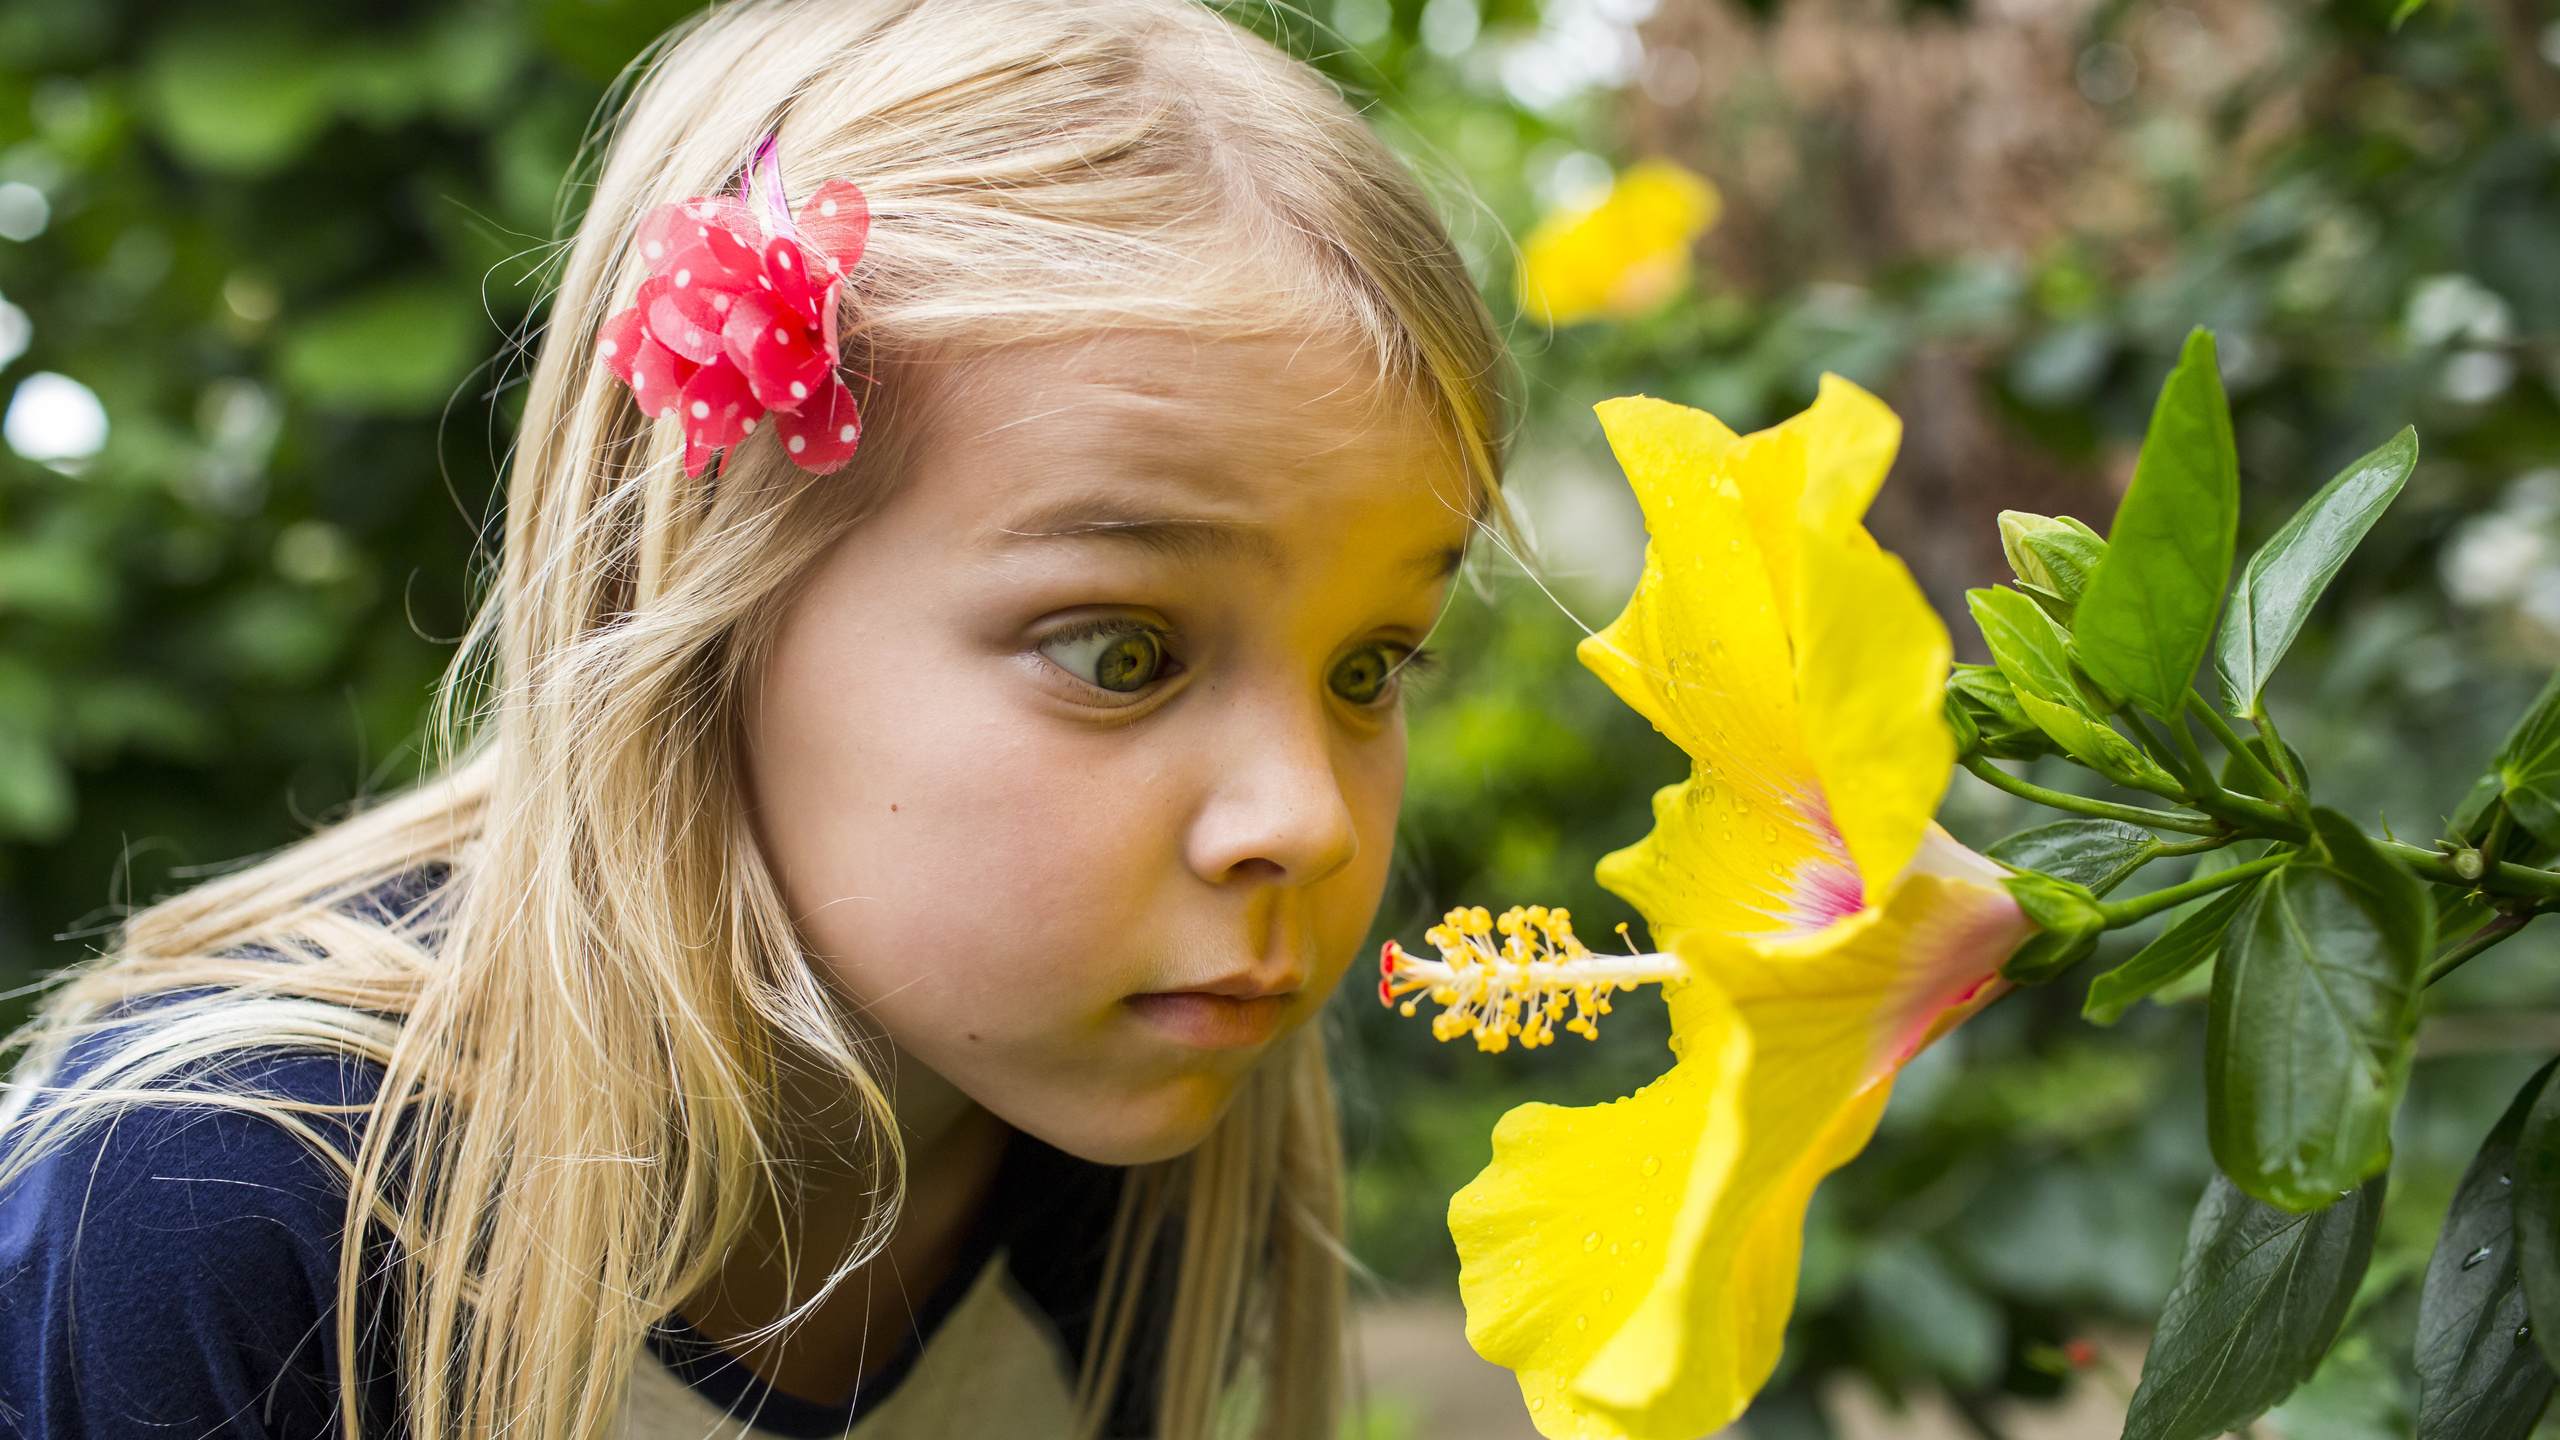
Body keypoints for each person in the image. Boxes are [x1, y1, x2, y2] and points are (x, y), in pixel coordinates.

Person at [0, 1, 1508, 1436]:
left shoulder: (1100, 1129)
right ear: (708, 595)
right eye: (1122, 653)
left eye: (1369, 666)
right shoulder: (227, 1201)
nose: (1305, 819)